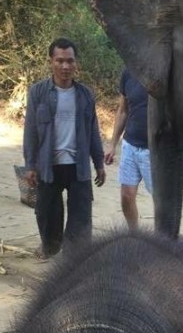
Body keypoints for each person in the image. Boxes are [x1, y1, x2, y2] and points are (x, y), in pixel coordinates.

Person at [24, 38, 106, 259]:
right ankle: (49, 247)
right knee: (46, 214)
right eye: (60, 61)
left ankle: (74, 260)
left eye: (70, 61)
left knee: (81, 219)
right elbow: (31, 131)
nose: (65, 67)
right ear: (51, 62)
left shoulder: (85, 95)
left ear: (76, 63)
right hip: (48, 167)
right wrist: (30, 165)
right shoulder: (38, 93)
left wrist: (98, 163)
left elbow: (93, 132)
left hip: (78, 167)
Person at [104, 68, 151, 228]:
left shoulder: (161, 72)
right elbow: (123, 110)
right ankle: (134, 234)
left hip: (154, 150)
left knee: (161, 200)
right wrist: (112, 144)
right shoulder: (128, 73)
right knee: (126, 196)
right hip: (130, 145)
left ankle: (163, 240)